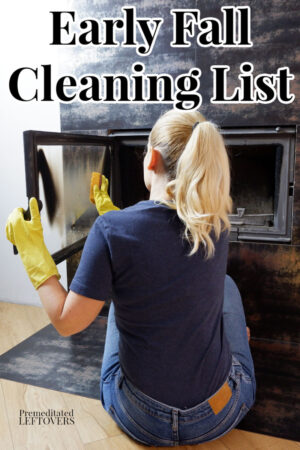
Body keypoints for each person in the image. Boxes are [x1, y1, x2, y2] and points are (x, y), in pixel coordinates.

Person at [6, 109, 256, 446]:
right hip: (217, 414)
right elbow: (162, 242)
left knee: (119, 293)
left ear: (151, 158)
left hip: (142, 417)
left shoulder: (113, 230)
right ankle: (234, 342)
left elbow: (67, 323)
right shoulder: (215, 221)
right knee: (225, 286)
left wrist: (34, 252)